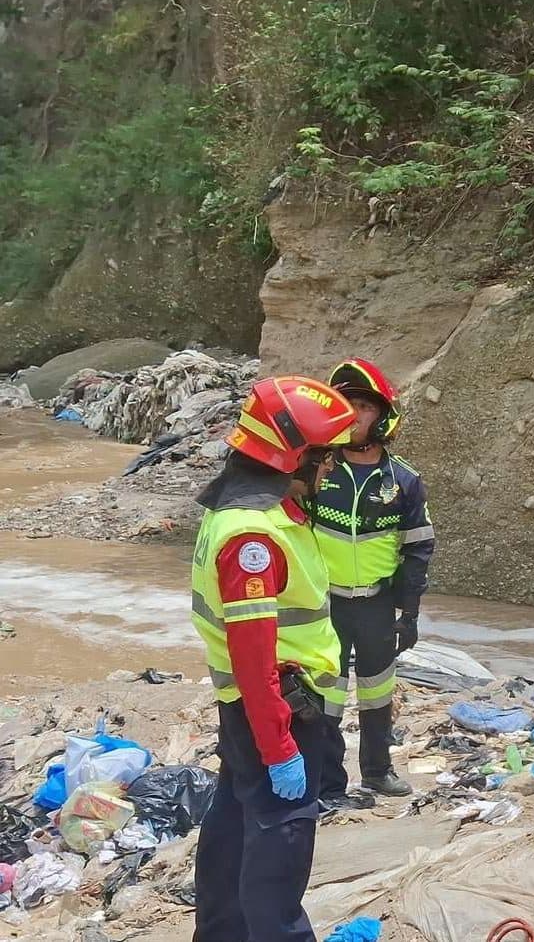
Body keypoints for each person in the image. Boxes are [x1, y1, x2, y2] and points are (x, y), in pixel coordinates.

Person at [189, 376, 356, 942]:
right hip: (275, 710)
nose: (331, 470)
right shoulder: (254, 537)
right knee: (278, 847)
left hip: (256, 708)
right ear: (294, 456)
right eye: (326, 458)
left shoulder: (252, 511)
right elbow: (253, 658)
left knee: (234, 829)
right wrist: (280, 747)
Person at [310, 358, 435, 803]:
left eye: (363, 405)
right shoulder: (316, 472)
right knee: (325, 695)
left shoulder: (403, 480)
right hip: (324, 605)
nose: (354, 413)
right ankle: (327, 782)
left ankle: (378, 772)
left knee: (378, 690)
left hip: (378, 605)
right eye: (346, 403)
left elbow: (418, 548)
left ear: (382, 416)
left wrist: (410, 613)